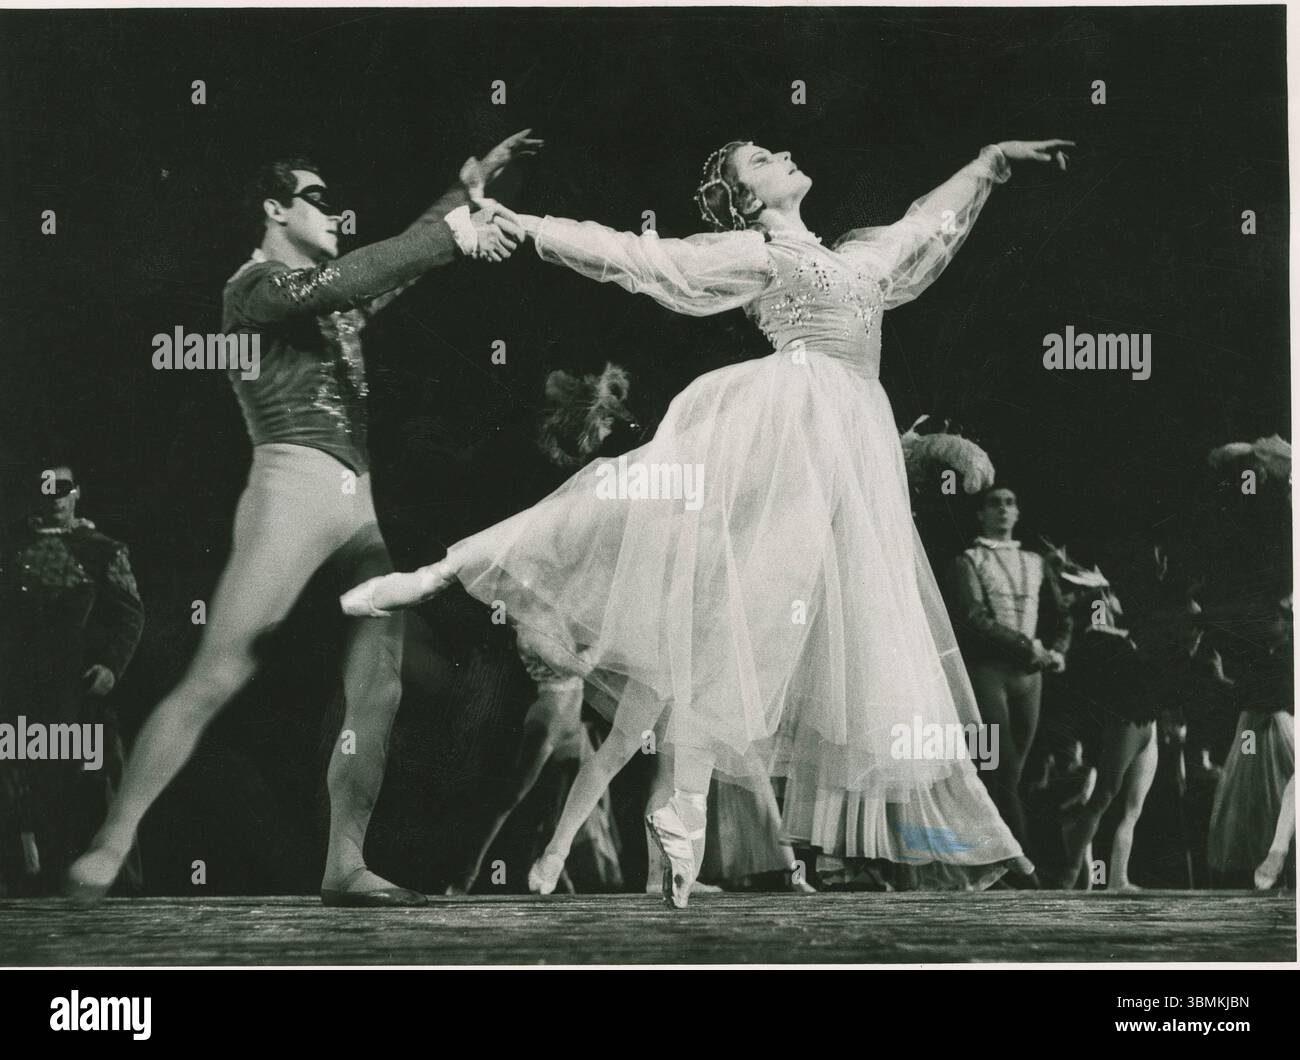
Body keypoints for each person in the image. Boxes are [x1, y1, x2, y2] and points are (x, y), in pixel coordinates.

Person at [344, 135, 1075, 906]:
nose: (784, 153)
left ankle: (684, 813)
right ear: (748, 198)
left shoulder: (859, 262)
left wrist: (990, 161)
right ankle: (442, 572)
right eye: (761, 159)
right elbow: (640, 256)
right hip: (780, 430)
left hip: (840, 455)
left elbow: (928, 223)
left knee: (760, 634)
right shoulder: (758, 254)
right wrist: (527, 224)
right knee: (627, 497)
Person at [65, 131, 539, 907]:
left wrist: (465, 189)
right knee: (220, 672)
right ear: (272, 208)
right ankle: (110, 846)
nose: (335, 212)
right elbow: (335, 286)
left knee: (376, 687)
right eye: (316, 198)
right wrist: (452, 231)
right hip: (290, 488)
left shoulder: (332, 290)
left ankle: (343, 861)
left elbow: (371, 277)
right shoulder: (252, 288)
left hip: (356, 506)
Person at [0, 463, 144, 895]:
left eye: (62, 490)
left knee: (95, 780)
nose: (54, 498)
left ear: (76, 493)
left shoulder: (101, 549)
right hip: (21, 688)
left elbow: (130, 614)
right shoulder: (9, 545)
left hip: (78, 687)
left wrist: (110, 667)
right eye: (46, 490)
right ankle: (29, 887)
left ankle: (115, 890)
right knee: (24, 781)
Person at [945, 487, 1073, 882]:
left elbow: (1062, 613)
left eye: (1010, 502)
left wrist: (1057, 650)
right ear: (980, 514)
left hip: (1030, 678)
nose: (1003, 509)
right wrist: (1027, 646)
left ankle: (998, 861)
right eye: (994, 503)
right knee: (1000, 768)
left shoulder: (1035, 561)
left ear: (1018, 513)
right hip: (991, 673)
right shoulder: (969, 560)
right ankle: (1022, 867)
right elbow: (973, 618)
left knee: (1013, 775)